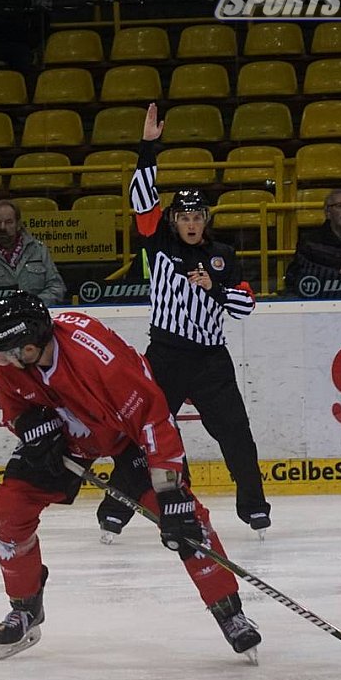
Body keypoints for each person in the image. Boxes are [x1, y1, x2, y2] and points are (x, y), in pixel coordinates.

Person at [0, 291, 261, 663]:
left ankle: (229, 611)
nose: (2, 363)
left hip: (129, 435)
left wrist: (169, 490)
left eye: (8, 355)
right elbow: (14, 403)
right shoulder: (11, 358)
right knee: (8, 512)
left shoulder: (99, 361)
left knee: (184, 519)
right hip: (69, 432)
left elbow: (153, 418)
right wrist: (28, 424)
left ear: (32, 345)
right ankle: (25, 608)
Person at [96, 102, 270, 537]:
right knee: (146, 438)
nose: (191, 224)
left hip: (212, 360)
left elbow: (246, 306)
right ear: (173, 220)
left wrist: (215, 288)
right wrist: (147, 148)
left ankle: (254, 509)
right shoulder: (158, 242)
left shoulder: (223, 256)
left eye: (197, 217)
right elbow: (142, 198)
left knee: (237, 435)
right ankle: (114, 511)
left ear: (206, 220)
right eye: (184, 217)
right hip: (166, 358)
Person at [0, 200, 67, 305]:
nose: (2, 227)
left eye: (9, 222)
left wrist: (33, 304)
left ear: (18, 224)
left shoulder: (39, 250)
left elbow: (57, 287)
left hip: (35, 312)